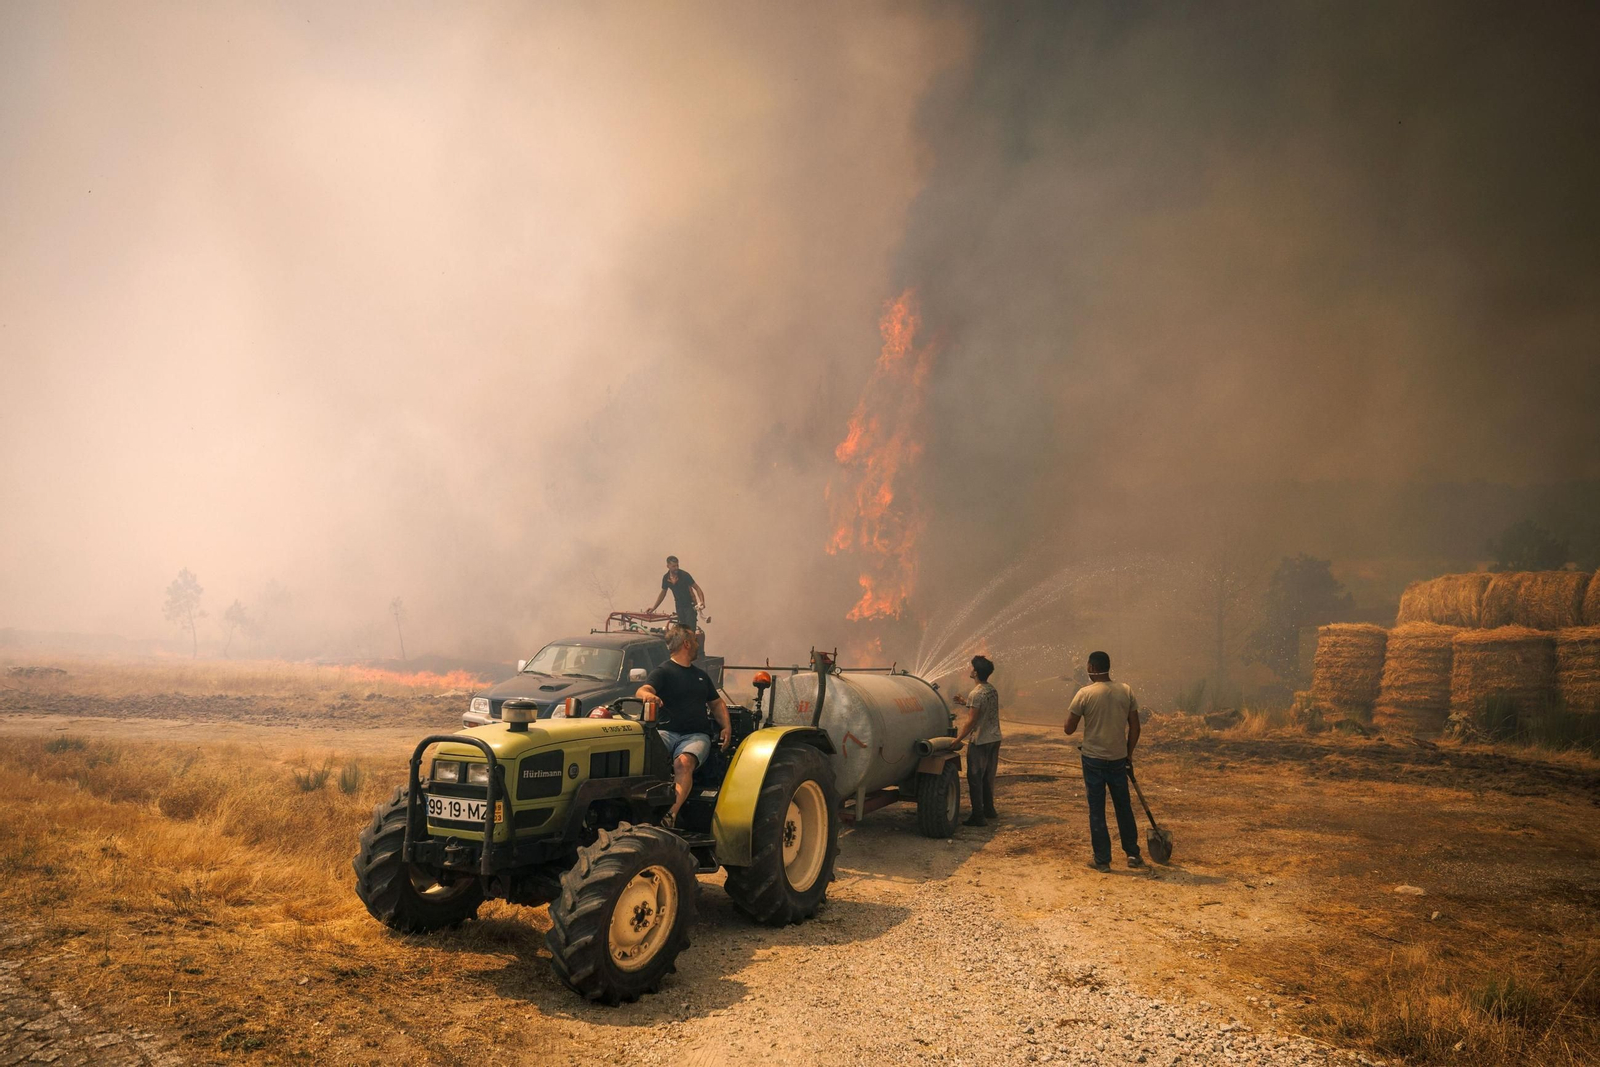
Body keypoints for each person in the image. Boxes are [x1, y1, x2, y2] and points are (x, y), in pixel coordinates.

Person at [635, 625, 732, 825]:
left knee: (683, 763)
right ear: (686, 643)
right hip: (665, 733)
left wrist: (726, 727)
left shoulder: (701, 676)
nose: (698, 645)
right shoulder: (663, 671)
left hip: (696, 736)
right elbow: (642, 690)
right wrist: (648, 695)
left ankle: (670, 815)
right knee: (643, 756)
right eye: (695, 641)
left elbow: (716, 703)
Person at [1064, 650, 1145, 872]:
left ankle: (1102, 860)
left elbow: (1068, 729)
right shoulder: (1125, 690)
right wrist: (1129, 754)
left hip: (1093, 760)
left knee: (1097, 810)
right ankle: (1132, 854)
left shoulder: (1084, 693)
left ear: (1091, 668)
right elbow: (1136, 727)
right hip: (1118, 758)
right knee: (1123, 807)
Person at [951, 654, 1002, 826]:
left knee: (975, 777)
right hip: (994, 738)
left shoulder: (976, 693)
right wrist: (964, 702)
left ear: (976, 672)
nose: (970, 670)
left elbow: (971, 721)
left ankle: (978, 817)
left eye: (972, 668)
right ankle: (989, 810)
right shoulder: (991, 689)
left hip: (980, 741)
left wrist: (957, 739)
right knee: (988, 776)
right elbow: (982, 707)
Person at [647, 555, 705, 632]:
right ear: (668, 566)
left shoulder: (684, 575)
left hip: (689, 606)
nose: (676, 568)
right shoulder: (666, 578)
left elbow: (697, 588)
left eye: (677, 565)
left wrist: (701, 601)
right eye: (674, 566)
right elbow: (663, 593)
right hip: (679, 606)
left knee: (690, 630)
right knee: (682, 630)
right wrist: (654, 608)